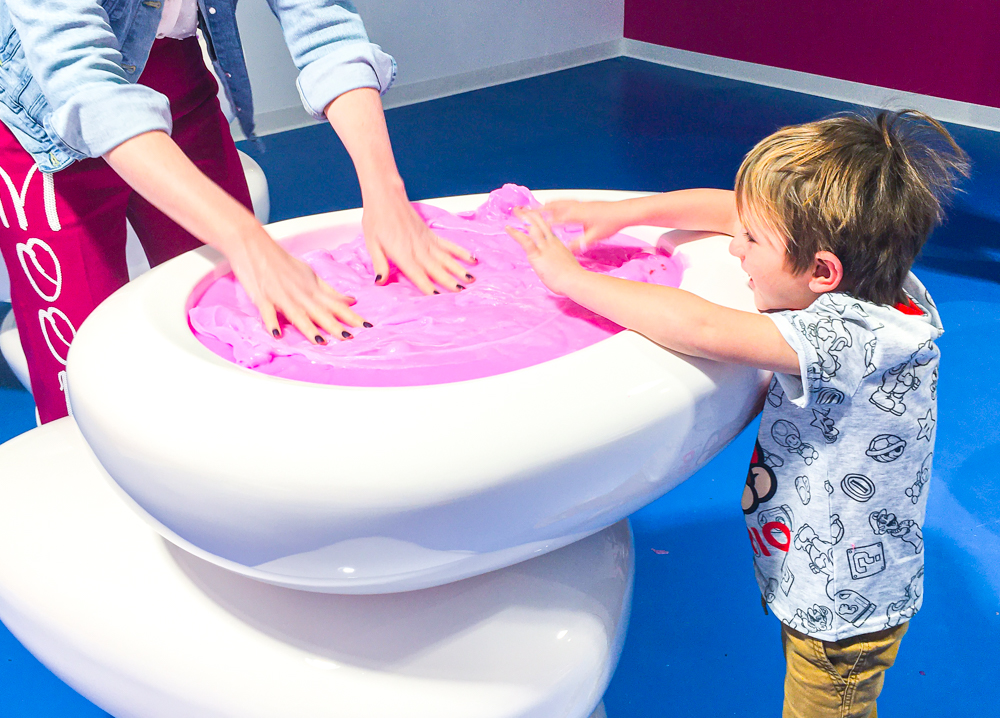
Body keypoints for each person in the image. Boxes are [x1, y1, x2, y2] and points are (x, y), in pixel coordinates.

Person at [507, 110, 968, 717]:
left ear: (821, 272)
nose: (733, 246)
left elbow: (698, 325)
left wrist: (568, 278)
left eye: (752, 242)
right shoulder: (881, 276)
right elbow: (728, 206)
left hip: (842, 610)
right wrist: (625, 214)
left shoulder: (847, 338)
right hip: (822, 578)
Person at [0, 0, 474, 423]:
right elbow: (84, 85)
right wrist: (248, 242)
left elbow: (323, 23)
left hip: (178, 84)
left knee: (241, 343)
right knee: (83, 382)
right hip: (46, 125)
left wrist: (386, 193)